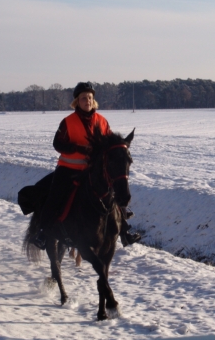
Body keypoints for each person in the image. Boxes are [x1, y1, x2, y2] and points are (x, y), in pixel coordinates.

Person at [31, 82, 141, 249]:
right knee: (54, 196)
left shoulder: (102, 121)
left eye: (90, 98)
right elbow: (57, 144)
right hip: (68, 169)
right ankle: (43, 232)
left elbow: (109, 141)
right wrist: (76, 148)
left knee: (112, 192)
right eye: (83, 98)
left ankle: (124, 231)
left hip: (93, 170)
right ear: (77, 101)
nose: (87, 101)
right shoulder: (68, 122)